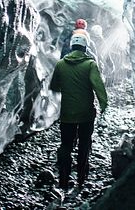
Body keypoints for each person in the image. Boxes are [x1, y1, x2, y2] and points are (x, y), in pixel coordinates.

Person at [50, 32, 108, 189]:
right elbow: (99, 87)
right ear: (85, 46)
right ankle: (81, 179)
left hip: (67, 114)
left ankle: (63, 179)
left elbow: (54, 86)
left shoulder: (61, 64)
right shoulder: (90, 64)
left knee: (66, 145)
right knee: (84, 144)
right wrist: (104, 105)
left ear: (71, 46)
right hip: (86, 115)